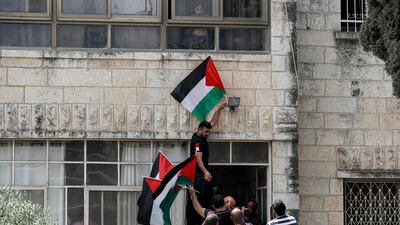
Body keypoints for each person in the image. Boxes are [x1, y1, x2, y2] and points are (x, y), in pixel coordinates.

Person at [187, 102, 227, 225]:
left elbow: (213, 122)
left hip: (202, 174)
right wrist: (205, 172)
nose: (208, 134)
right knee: (200, 197)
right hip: (198, 175)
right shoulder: (197, 142)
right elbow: (198, 158)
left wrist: (220, 109)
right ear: (200, 129)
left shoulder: (203, 134)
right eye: (206, 132)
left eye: (208, 132)